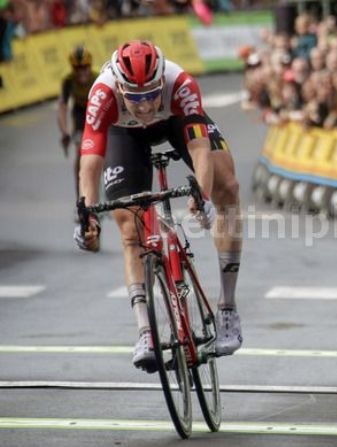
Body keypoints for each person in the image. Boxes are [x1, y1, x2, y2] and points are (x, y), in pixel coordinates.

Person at [73, 40, 244, 371]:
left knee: (229, 188)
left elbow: (198, 147)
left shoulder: (180, 85)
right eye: (135, 98)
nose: (145, 104)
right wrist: (86, 214)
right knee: (129, 226)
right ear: (120, 88)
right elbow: (90, 160)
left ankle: (227, 307)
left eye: (151, 93)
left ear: (160, 81)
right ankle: (145, 331)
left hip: (175, 122)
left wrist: (204, 196)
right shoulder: (102, 95)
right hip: (124, 135)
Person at [58, 46, 97, 203]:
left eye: (85, 67)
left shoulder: (97, 78)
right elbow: (62, 107)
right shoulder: (68, 81)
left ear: (90, 66)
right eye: (77, 68)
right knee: (81, 155)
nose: (81, 72)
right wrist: (64, 131)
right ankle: (80, 198)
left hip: (97, 111)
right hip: (80, 115)